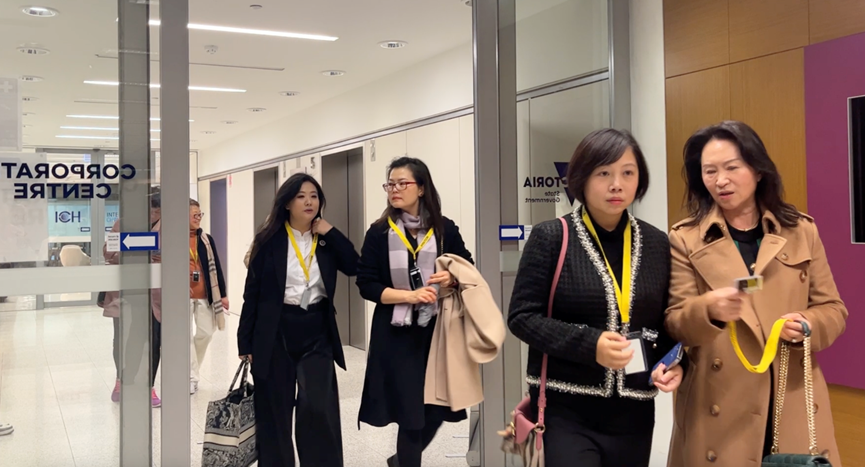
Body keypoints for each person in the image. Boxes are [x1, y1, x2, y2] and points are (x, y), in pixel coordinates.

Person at [665, 121, 848, 466]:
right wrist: (708, 310)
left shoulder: (800, 230)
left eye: (732, 167)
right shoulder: (685, 239)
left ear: (758, 170)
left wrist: (807, 324)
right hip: (720, 404)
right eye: (710, 171)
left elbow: (833, 308)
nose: (721, 180)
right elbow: (676, 322)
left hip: (790, 396)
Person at [507, 129, 683, 467]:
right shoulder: (551, 237)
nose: (616, 184)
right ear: (582, 179)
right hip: (566, 407)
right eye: (604, 173)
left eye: (627, 173)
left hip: (634, 410)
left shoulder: (657, 242)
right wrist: (591, 345)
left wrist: (674, 363)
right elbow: (522, 317)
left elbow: (665, 322)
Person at [357, 157, 474, 467]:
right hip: (396, 333)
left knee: (437, 410)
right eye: (390, 184)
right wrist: (409, 296)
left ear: (421, 188)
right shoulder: (379, 232)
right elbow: (366, 284)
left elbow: (467, 267)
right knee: (410, 415)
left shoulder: (444, 229)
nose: (394, 189)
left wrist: (450, 277)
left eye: (402, 183)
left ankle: (399, 461)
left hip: (438, 331)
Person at [237, 173, 358, 467]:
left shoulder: (326, 240)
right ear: (287, 203)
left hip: (316, 329)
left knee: (317, 406)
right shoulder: (268, 241)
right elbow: (251, 294)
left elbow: (355, 265)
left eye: (314, 196)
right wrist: (245, 342)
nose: (308, 202)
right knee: (275, 411)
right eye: (301, 196)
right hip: (275, 330)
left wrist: (331, 232)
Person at [100, 191, 163, 407]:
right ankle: (121, 381)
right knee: (122, 339)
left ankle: (149, 386)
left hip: (154, 294)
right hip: (126, 292)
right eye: (151, 211)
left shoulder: (170, 225)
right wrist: (139, 252)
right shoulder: (123, 224)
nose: (153, 215)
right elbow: (108, 253)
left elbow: (174, 255)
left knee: (152, 340)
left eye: (157, 212)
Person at [188, 199, 228, 395]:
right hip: (182, 296)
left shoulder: (206, 239)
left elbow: (217, 267)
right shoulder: (172, 238)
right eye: (194, 215)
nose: (198, 218)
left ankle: (191, 370)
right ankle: (191, 377)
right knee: (185, 337)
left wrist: (223, 294)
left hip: (205, 294)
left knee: (206, 333)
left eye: (200, 214)